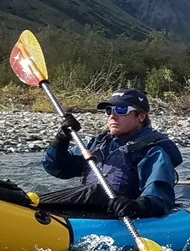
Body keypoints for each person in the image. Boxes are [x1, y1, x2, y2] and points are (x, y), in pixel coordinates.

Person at [39, 88, 182, 218]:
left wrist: (137, 206)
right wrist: (61, 140)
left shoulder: (153, 151)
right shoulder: (97, 143)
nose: (113, 116)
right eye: (109, 110)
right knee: (95, 192)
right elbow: (58, 168)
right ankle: (33, 204)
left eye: (121, 110)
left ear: (141, 117)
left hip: (121, 215)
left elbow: (159, 195)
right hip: (86, 211)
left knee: (97, 192)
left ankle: (35, 202)